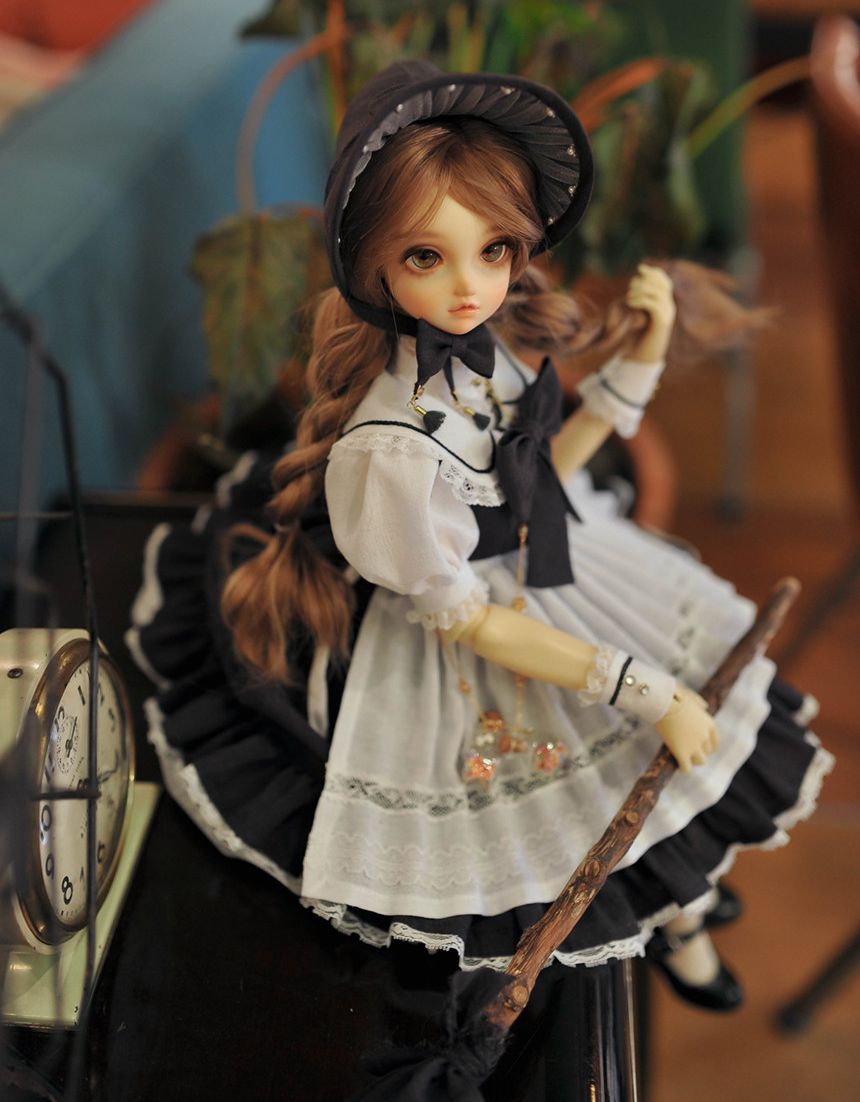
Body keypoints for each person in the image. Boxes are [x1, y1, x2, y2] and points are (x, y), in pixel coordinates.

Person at [128, 60, 832, 1014]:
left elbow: (537, 479)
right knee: (597, 783)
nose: (470, 285)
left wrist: (641, 362)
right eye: (427, 256)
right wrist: (635, 683)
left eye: (495, 250)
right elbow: (465, 620)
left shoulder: (475, 356)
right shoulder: (391, 453)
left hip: (543, 561)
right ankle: (679, 921)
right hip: (467, 634)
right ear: (373, 263)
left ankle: (687, 908)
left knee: (675, 743)